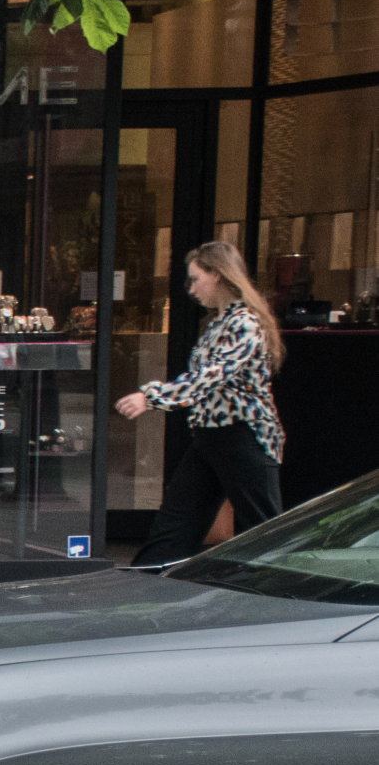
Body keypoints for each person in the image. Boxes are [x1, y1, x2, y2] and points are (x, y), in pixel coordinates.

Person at [115, 239, 287, 567]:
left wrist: (150, 397)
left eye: (195, 279)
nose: (191, 289)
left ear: (218, 275)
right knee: (176, 523)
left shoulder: (245, 324)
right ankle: (143, 587)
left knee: (266, 531)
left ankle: (289, 601)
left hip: (243, 436)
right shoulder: (218, 323)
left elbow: (210, 377)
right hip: (212, 437)